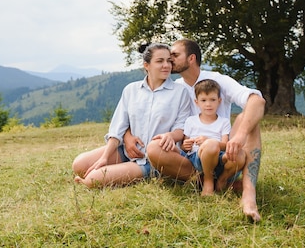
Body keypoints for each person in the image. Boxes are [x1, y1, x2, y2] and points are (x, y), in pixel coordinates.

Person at [125, 39, 264, 222]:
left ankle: (248, 195)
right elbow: (141, 109)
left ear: (191, 58)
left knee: (249, 121)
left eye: (174, 55)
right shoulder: (175, 88)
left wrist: (238, 137)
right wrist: (127, 135)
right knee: (154, 148)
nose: (169, 60)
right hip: (191, 159)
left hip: (224, 153)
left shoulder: (218, 80)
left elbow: (257, 101)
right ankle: (210, 182)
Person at [72, 43, 192, 188]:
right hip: (127, 151)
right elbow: (118, 127)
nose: (166, 65)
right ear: (146, 65)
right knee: (79, 165)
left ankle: (149, 173)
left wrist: (170, 136)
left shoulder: (180, 92)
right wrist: (105, 157)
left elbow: (181, 128)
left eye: (169, 61)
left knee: (94, 179)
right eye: (160, 61)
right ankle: (120, 167)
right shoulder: (131, 90)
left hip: (151, 159)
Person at [178, 79, 245, 196]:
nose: (208, 104)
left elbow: (225, 145)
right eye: (203, 100)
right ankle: (208, 181)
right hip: (198, 158)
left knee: (240, 155)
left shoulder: (223, 122)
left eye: (212, 100)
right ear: (196, 102)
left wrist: (209, 141)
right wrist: (186, 145)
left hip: (218, 157)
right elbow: (184, 146)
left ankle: (222, 180)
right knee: (210, 146)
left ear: (219, 101)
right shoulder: (191, 121)